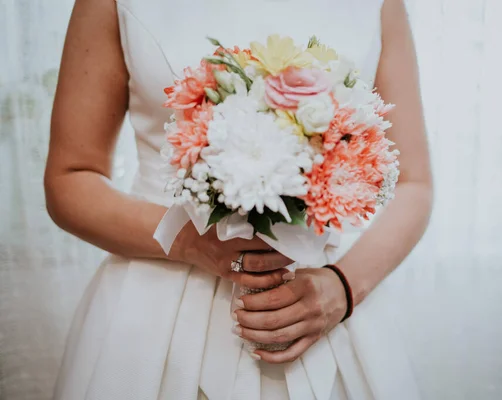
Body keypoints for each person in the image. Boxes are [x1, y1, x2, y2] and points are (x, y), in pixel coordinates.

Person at [45, 0, 432, 398]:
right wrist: (193, 243)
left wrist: (342, 289)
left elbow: (414, 184)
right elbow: (69, 180)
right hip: (158, 305)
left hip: (325, 300)